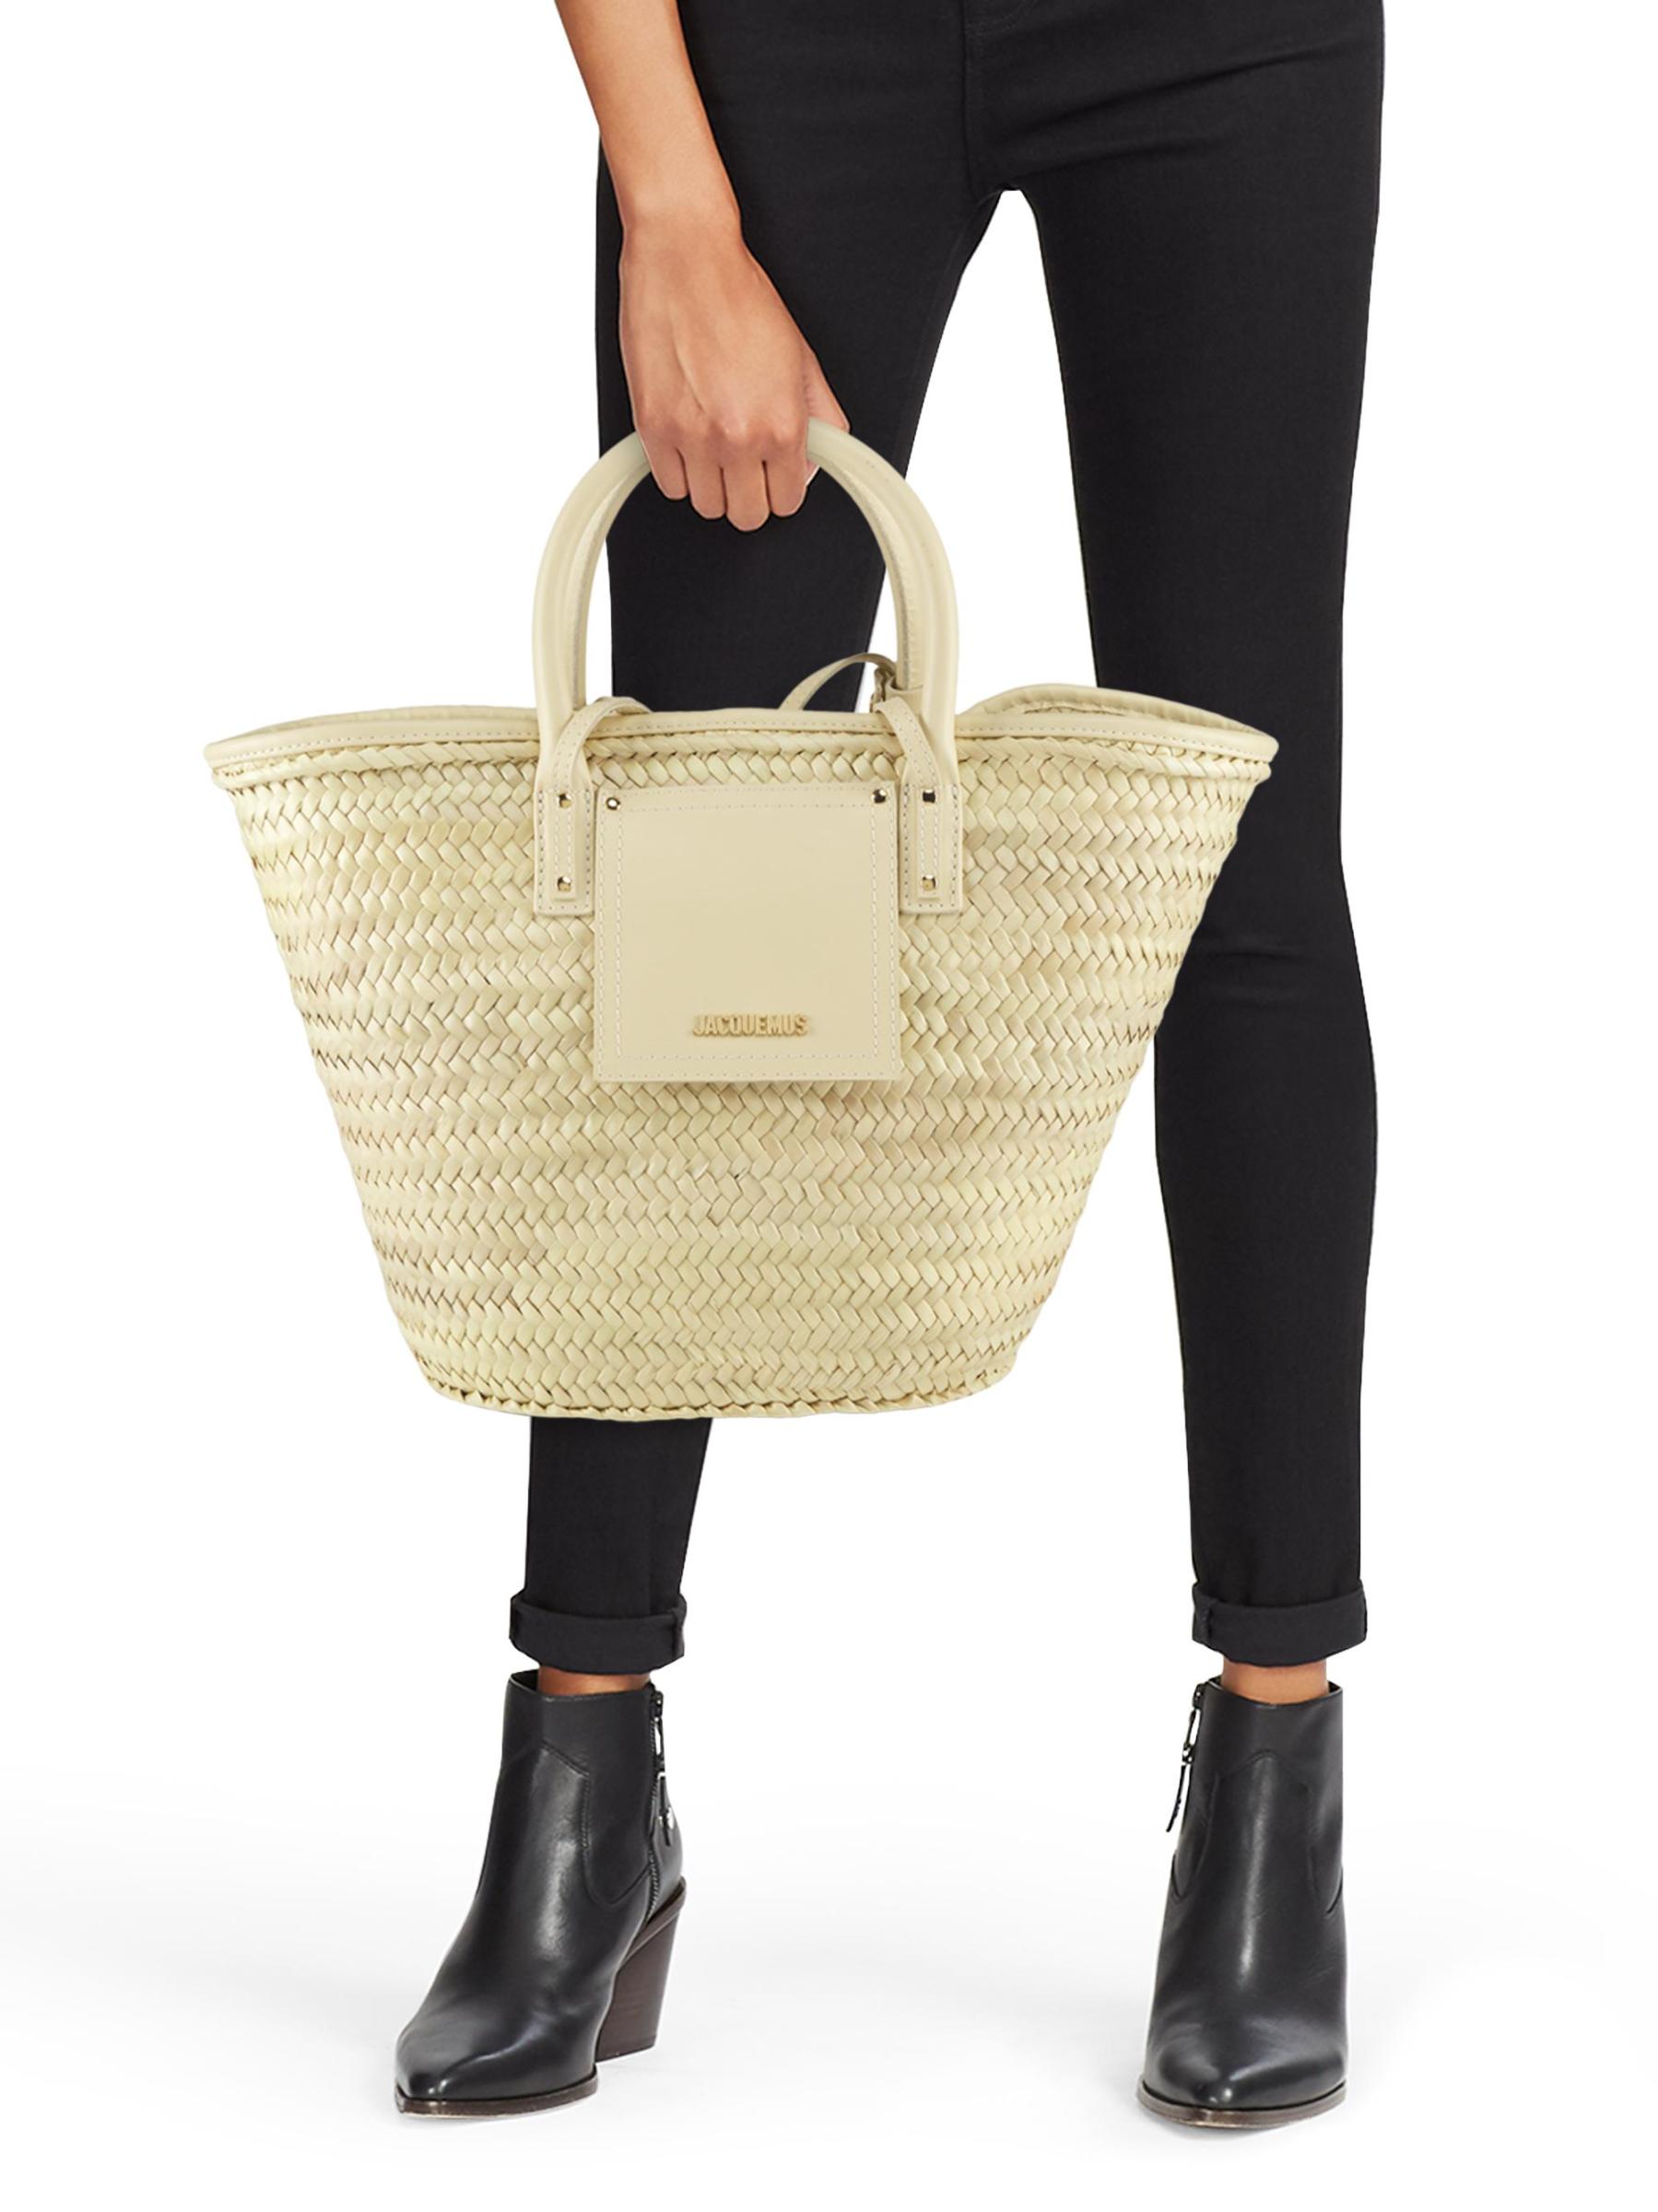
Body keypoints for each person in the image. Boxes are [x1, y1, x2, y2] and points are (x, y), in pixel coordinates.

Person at [395, 0, 1382, 2128]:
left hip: (1229, 43)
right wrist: (671, 210)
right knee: (695, 868)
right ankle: (583, 1771)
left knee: (1243, 852)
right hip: (781, 47)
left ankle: (1274, 1760)